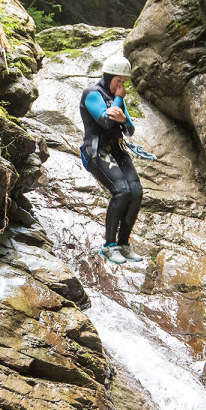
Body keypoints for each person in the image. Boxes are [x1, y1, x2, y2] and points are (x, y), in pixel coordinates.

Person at [80, 53, 144, 265]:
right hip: (95, 150)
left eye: (124, 82)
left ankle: (124, 244)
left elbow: (129, 129)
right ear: (108, 77)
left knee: (136, 191)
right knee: (122, 190)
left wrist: (124, 118)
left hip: (116, 149)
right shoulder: (92, 94)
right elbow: (105, 122)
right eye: (119, 81)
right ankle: (109, 246)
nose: (121, 86)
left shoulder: (118, 98)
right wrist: (118, 99)